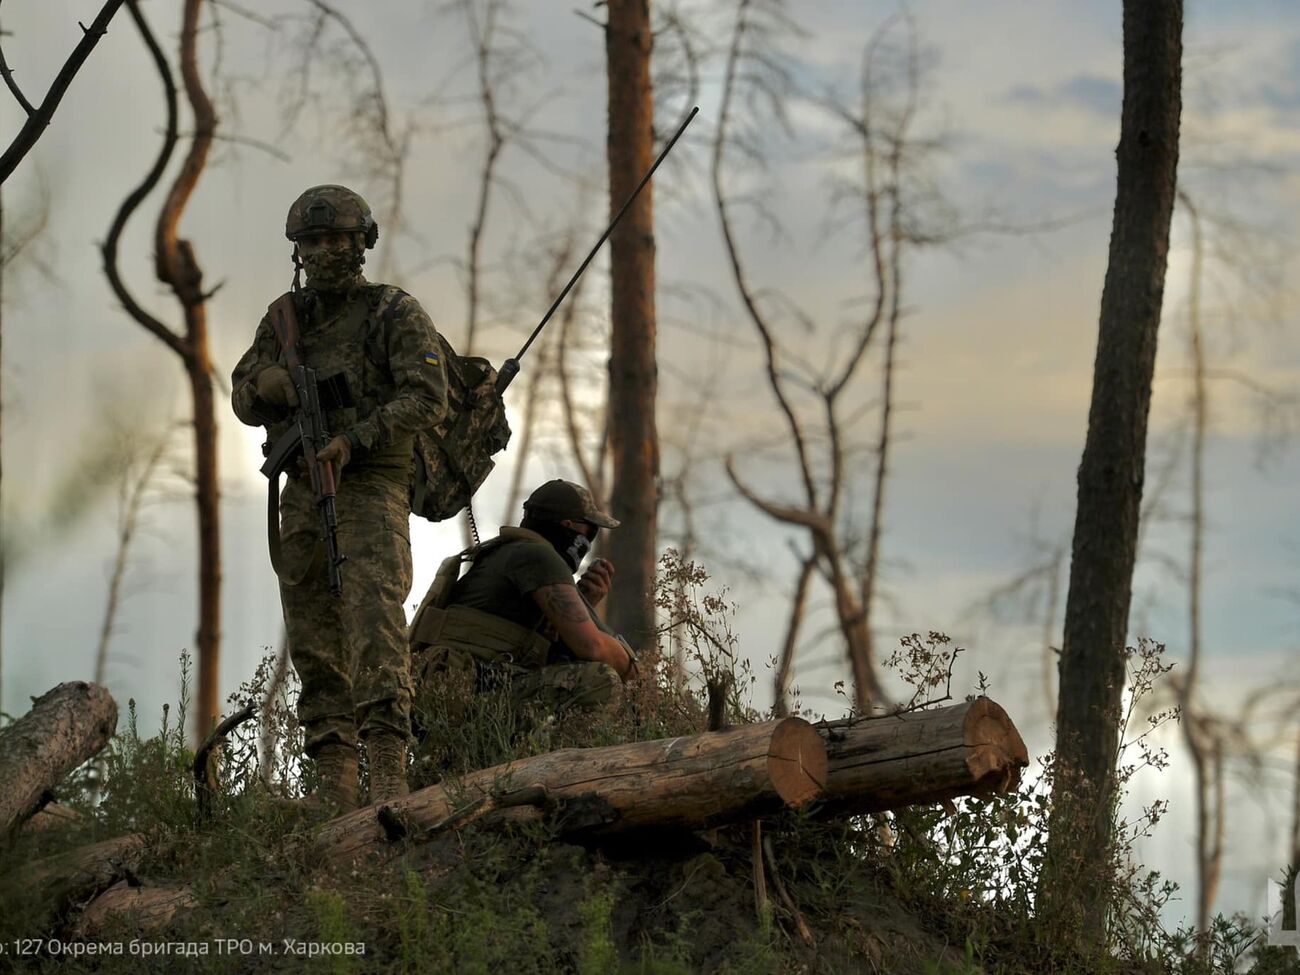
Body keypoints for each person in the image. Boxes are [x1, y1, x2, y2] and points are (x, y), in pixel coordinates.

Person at [230, 184, 448, 811]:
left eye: (338, 240)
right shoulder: (283, 321)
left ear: (362, 245)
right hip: (303, 486)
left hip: (371, 481)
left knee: (374, 620)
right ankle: (333, 780)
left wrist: (356, 437)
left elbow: (426, 396)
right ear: (298, 250)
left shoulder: (392, 313)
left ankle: (386, 772)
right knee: (312, 629)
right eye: (314, 242)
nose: (326, 252)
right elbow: (242, 394)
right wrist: (267, 386)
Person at [410, 479, 637, 723]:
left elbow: (530, 649)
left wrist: (585, 603)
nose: (589, 541)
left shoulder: (504, 553)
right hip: (463, 693)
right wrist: (633, 669)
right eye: (589, 531)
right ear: (568, 526)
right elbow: (592, 647)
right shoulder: (538, 555)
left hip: (448, 694)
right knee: (600, 682)